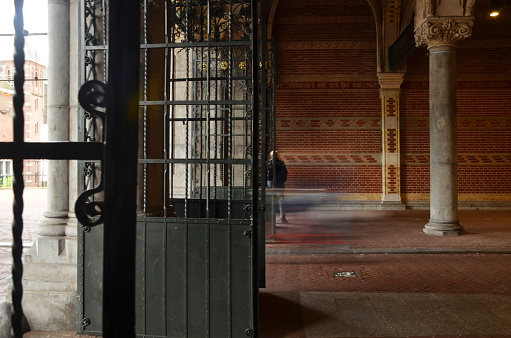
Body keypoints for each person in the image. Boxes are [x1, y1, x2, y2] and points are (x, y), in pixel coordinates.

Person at [267, 150, 288, 224]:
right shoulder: (281, 163)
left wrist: (269, 181)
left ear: (271, 155)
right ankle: (282, 218)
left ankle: (271, 219)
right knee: (281, 201)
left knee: (271, 201)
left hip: (271, 184)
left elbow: (268, 174)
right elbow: (285, 173)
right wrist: (282, 181)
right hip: (280, 184)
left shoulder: (269, 163)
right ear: (277, 155)